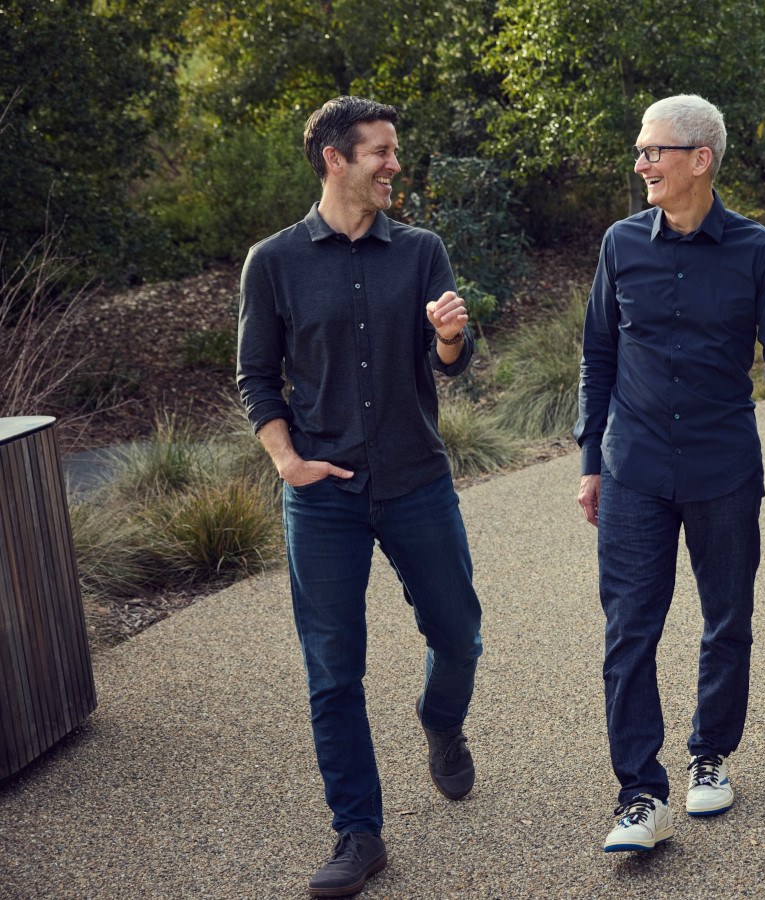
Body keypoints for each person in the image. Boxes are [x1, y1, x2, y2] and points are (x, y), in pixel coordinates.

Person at [237, 96, 483, 897]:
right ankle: (358, 832)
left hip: (416, 480)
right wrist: (287, 461)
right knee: (333, 672)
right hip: (324, 496)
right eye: (380, 151)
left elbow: (451, 360)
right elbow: (255, 378)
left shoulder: (421, 251)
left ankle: (441, 724)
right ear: (335, 159)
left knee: (459, 635)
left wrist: (449, 334)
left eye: (394, 150)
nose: (394, 165)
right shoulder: (272, 262)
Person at [574, 94, 765, 853]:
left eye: (654, 151)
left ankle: (710, 754)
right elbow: (598, 356)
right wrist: (589, 463)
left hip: (721, 468)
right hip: (634, 469)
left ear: (699, 160)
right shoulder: (620, 244)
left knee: (726, 619)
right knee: (628, 631)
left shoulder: (756, 251)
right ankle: (640, 796)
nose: (641, 164)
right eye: (640, 151)